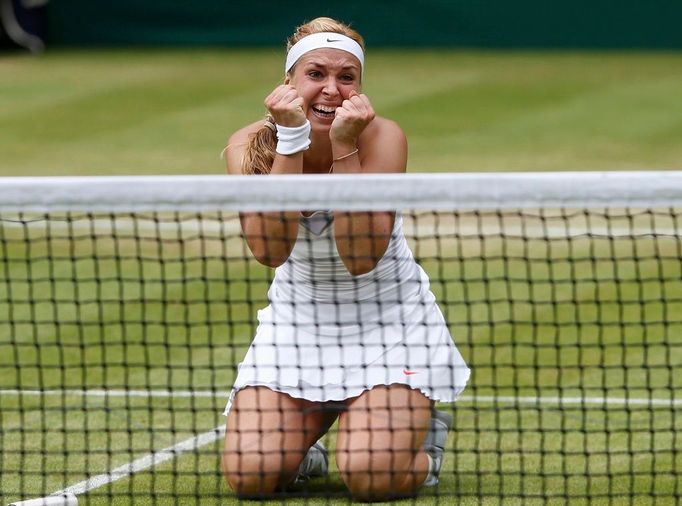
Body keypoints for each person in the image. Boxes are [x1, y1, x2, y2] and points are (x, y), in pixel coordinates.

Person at [220, 16, 470, 500]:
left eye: (346, 77)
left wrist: (343, 147)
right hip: (296, 330)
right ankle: (304, 452)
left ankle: (421, 448)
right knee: (251, 476)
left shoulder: (384, 137)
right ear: (288, 81)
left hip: (392, 330)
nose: (331, 89)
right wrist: (291, 142)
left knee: (372, 477)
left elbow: (360, 257)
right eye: (316, 74)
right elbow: (270, 252)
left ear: (359, 87)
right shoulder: (246, 144)